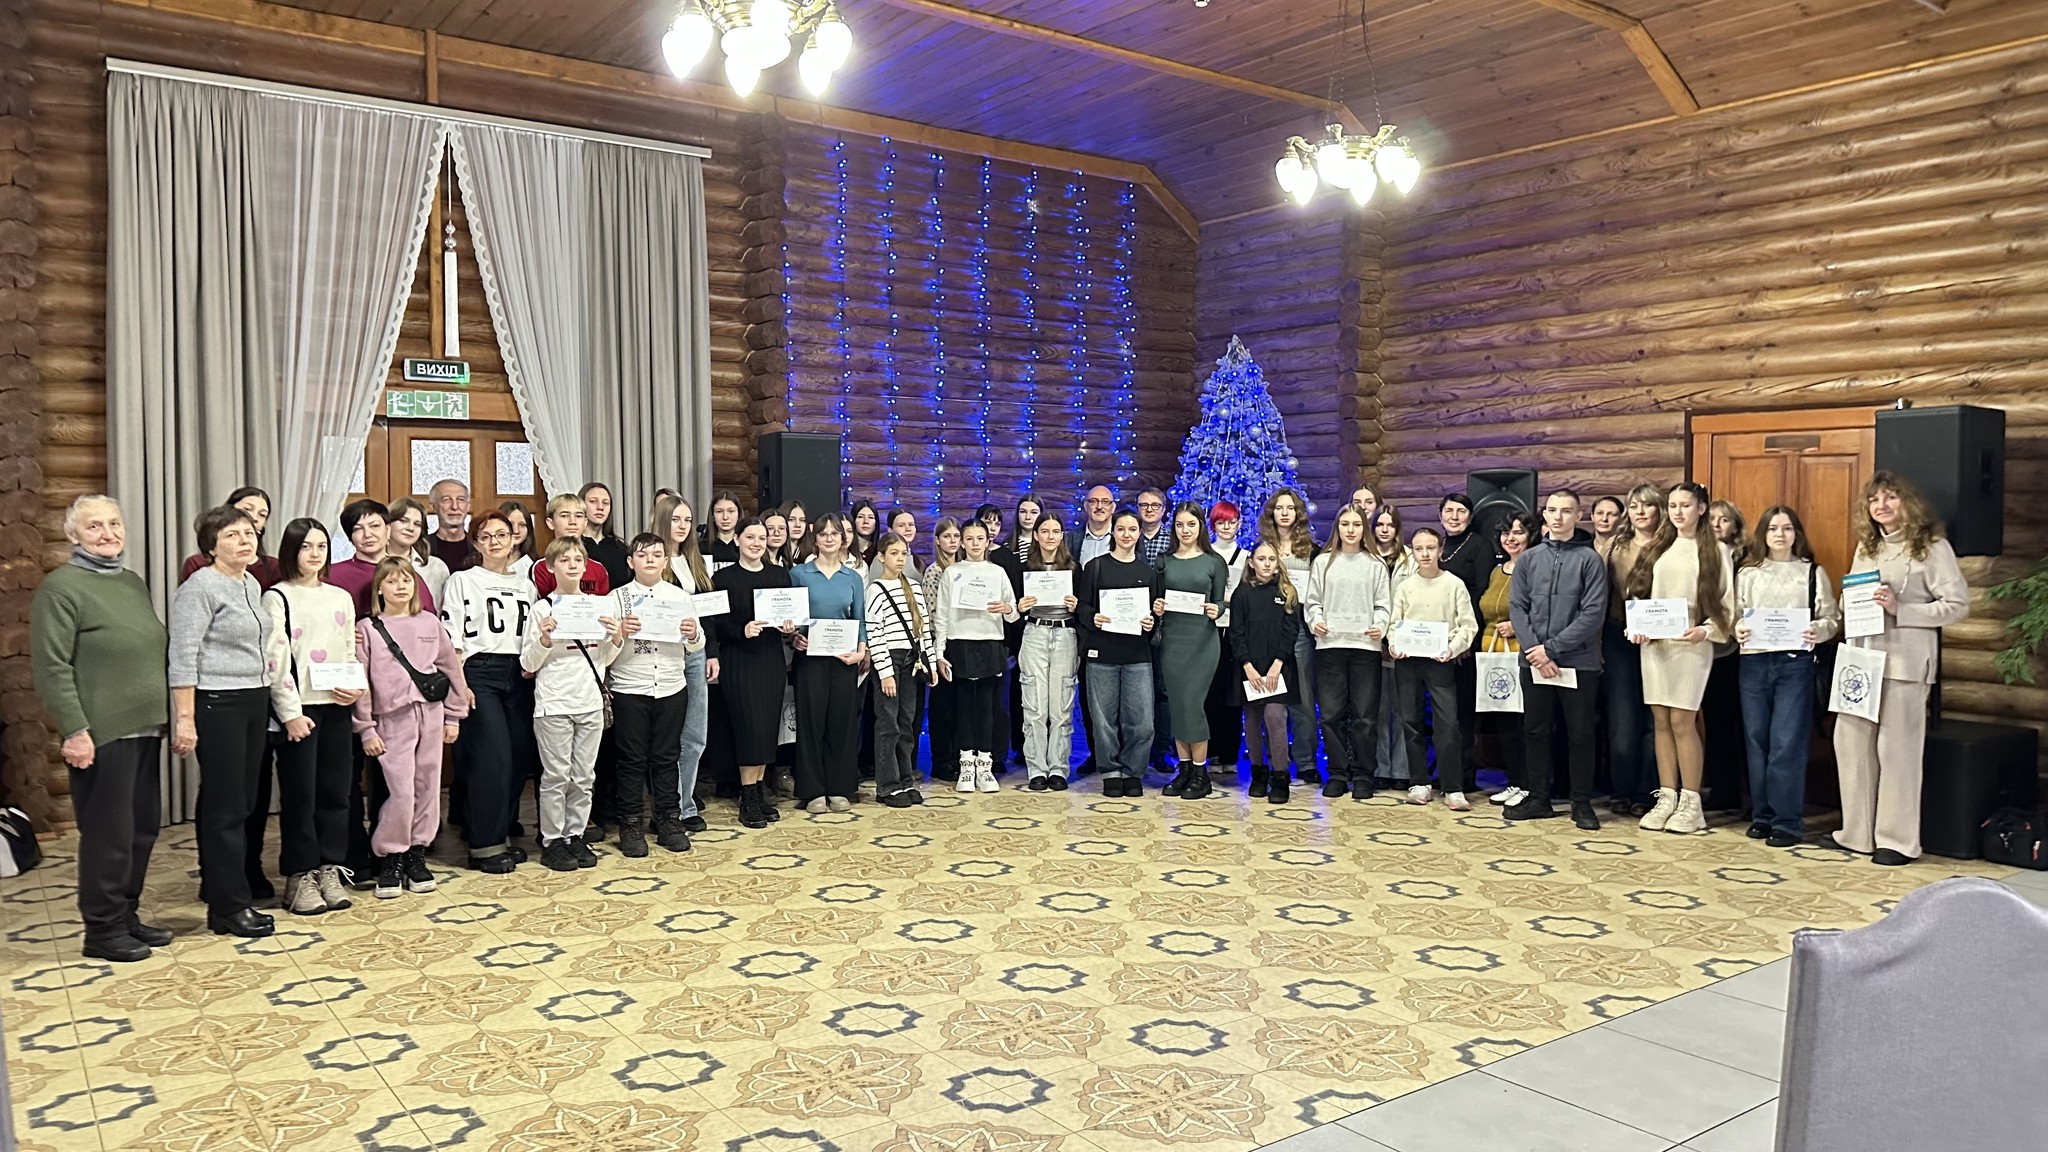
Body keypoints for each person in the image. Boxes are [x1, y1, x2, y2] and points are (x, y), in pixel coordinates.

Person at [31, 496, 171, 962]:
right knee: (108, 835)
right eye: (94, 526)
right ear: (73, 535)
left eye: (114, 523)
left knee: (141, 830)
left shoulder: (130, 582)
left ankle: (126, 916)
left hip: (145, 727)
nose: (108, 533)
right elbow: (52, 667)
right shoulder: (60, 588)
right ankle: (102, 929)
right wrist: (74, 730)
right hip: (100, 732)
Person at [1829, 472, 1969, 865]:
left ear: (1907, 502)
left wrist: (1900, 609)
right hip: (1862, 661)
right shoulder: (1867, 546)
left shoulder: (1932, 547)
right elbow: (1853, 597)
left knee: (1897, 752)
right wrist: (1849, 601)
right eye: (1874, 500)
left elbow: (1957, 605)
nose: (1882, 506)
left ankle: (1895, 840)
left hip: (1905, 663)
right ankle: (1856, 834)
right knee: (1852, 745)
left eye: (1890, 497)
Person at [168, 504, 276, 939]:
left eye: (249, 533)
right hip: (218, 702)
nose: (244, 540)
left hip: (254, 697)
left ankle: (222, 893)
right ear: (211, 546)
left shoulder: (250, 582)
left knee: (243, 803)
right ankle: (230, 907)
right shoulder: (200, 586)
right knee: (226, 808)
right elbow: (182, 654)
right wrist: (185, 718)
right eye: (232, 535)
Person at [265, 520, 365, 914]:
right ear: (291, 550)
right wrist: (290, 714)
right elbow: (276, 661)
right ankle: (300, 874)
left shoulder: (340, 597)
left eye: (321, 546)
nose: (315, 553)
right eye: (306, 546)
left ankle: (329, 867)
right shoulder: (277, 597)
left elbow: (348, 651)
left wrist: (354, 687)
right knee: (300, 796)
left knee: (336, 793)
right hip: (299, 711)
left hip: (336, 707)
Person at [354, 558, 469, 898]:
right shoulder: (368, 628)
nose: (401, 586)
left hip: (431, 714)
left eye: (406, 580)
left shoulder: (430, 622)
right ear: (380, 588)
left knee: (428, 786)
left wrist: (453, 716)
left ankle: (417, 852)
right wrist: (366, 728)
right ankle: (392, 854)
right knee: (401, 790)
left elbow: (450, 668)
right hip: (392, 718)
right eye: (392, 581)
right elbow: (361, 681)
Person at [1628, 482, 1736, 836]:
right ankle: (1667, 797)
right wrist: (1639, 626)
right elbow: (1640, 594)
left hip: (1691, 644)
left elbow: (1727, 604)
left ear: (1701, 508)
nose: (1678, 512)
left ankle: (1692, 802)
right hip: (1656, 646)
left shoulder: (1717, 550)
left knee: (1682, 721)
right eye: (1673, 505)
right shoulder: (1658, 546)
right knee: (1660, 720)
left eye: (1685, 505)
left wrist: (1706, 631)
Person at [441, 511, 541, 872]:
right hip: (479, 672)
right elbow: (451, 636)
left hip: (520, 673)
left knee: (518, 757)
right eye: (485, 536)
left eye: (501, 534)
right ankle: (484, 845)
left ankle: (498, 833)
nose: (494, 542)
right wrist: (460, 685)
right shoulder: (462, 580)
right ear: (476, 543)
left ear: (514, 539)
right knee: (491, 758)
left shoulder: (527, 585)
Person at [1736, 506, 1840, 848]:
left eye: (1787, 528)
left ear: (1797, 534)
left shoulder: (1812, 572)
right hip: (1754, 662)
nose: (1780, 535)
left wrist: (1818, 631)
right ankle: (1761, 815)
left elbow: (1831, 618)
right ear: (1763, 534)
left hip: (1795, 664)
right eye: (1773, 528)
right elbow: (1735, 615)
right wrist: (1739, 629)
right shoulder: (1748, 573)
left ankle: (1787, 822)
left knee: (1787, 741)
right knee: (1756, 740)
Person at [1506, 492, 1609, 829]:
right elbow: (1518, 607)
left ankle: (1581, 802)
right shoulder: (1529, 559)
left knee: (1580, 733)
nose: (1558, 517)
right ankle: (1539, 798)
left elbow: (1593, 613)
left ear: (1578, 516)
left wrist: (1551, 649)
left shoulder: (1590, 560)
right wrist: (1535, 650)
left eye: (1566, 511)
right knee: (1535, 730)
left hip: (1578, 661)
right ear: (1545, 515)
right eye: (1552, 510)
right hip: (1534, 661)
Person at [523, 539, 625, 869]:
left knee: (583, 776)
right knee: (556, 776)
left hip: (590, 701)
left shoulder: (599, 606)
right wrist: (544, 639)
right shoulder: (542, 609)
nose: (571, 565)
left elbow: (604, 659)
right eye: (564, 560)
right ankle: (552, 840)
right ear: (551, 567)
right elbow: (528, 663)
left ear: (585, 566)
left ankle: (575, 835)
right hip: (554, 702)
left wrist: (616, 637)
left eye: (577, 560)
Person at [608, 533, 702, 855]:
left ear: (665, 561)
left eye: (656, 555)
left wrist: (693, 634)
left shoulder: (679, 597)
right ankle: (630, 823)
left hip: (671, 686)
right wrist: (620, 634)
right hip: (630, 687)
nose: (650, 559)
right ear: (630, 561)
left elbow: (697, 644)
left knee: (666, 757)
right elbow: (604, 653)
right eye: (642, 554)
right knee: (631, 760)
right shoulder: (617, 598)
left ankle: (668, 820)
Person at [1304, 504, 1392, 800]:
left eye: (1356, 524)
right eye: (1345, 524)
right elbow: (1312, 602)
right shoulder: (1323, 562)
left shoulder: (1375, 564)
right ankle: (1338, 774)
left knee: (1365, 716)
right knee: (1331, 715)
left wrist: (1380, 626)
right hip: (1330, 646)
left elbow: (1383, 605)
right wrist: (1316, 621)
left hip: (1365, 647)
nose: (1351, 530)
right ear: (1337, 528)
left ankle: (1364, 774)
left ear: (1364, 528)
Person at [712, 519, 796, 828]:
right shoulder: (723, 578)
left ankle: (759, 791)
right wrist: (741, 630)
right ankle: (747, 796)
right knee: (748, 728)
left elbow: (790, 615)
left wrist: (789, 627)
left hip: (770, 661)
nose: (757, 543)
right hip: (739, 661)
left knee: (766, 729)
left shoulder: (779, 575)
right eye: (750, 537)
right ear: (737, 539)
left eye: (762, 537)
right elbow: (715, 625)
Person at [1389, 527, 1478, 808]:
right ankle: (1419, 782)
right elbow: (1393, 624)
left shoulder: (1454, 584)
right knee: (1411, 722)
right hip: (1408, 662)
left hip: (1441, 662)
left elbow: (1468, 625)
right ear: (1412, 553)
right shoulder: (1405, 587)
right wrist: (1394, 645)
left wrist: (1452, 648)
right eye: (1419, 549)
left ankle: (1452, 787)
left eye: (1430, 548)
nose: (1425, 554)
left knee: (1447, 724)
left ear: (1440, 550)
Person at [791, 514, 870, 812]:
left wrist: (861, 651)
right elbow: (792, 617)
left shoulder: (852, 578)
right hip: (809, 659)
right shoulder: (799, 573)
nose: (828, 538)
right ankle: (812, 790)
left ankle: (839, 787)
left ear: (843, 539)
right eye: (823, 534)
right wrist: (794, 637)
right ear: (815, 539)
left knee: (841, 723)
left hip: (843, 659)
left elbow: (859, 619)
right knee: (811, 724)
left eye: (834, 534)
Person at [1078, 510, 1158, 797]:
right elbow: (1082, 606)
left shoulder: (1148, 573)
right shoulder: (1095, 567)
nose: (1126, 534)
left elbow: (1154, 615)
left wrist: (1151, 622)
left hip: (1137, 655)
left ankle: (1133, 771)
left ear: (1139, 534)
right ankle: (1111, 771)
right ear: (1113, 532)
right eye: (1121, 529)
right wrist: (1092, 617)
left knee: (1142, 722)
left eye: (1132, 529)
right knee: (1104, 719)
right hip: (1102, 653)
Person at [936, 520, 1018, 794]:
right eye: (969, 538)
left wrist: (1007, 608)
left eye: (979, 538)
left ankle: (984, 765)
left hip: (990, 643)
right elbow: (942, 614)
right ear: (962, 542)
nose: (974, 543)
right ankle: (966, 766)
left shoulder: (997, 572)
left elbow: (1014, 613)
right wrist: (939, 652)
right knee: (963, 707)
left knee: (986, 706)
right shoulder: (952, 573)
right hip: (960, 643)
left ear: (987, 541)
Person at [1152, 503, 1228, 799]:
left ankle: (1201, 773)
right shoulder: (1164, 561)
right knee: (1178, 706)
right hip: (1172, 643)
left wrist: (1216, 609)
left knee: (1193, 705)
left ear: (1201, 527)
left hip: (1202, 644)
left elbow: (1221, 602)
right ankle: (1184, 770)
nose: (1185, 530)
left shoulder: (1213, 562)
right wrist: (1157, 607)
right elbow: (1157, 598)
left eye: (1191, 525)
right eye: (1180, 525)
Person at [656, 494, 718, 834]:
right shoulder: (653, 559)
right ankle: (665, 807)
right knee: (667, 735)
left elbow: (708, 613)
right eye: (676, 519)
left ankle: (685, 804)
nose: (682, 526)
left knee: (695, 733)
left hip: (695, 653)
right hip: (663, 656)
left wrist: (712, 653)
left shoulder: (696, 562)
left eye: (687, 520)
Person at [1601, 484, 1663, 816]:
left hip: (1661, 638)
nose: (1640, 512)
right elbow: (1602, 594)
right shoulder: (1616, 546)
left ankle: (1647, 791)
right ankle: (1621, 790)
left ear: (1659, 510)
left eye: (1647, 505)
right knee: (1622, 719)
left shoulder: (1670, 545)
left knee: (1655, 719)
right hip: (1619, 636)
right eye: (1634, 505)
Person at [1230, 540, 1303, 804]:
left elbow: (1291, 631)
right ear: (1251, 563)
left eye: (1272, 559)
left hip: (1278, 667)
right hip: (1249, 667)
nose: (1267, 564)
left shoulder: (1287, 592)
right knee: (1251, 720)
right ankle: (1258, 773)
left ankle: (1280, 776)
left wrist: (1277, 664)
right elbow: (1236, 633)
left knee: (1274, 716)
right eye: (1261, 559)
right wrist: (1247, 666)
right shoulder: (1241, 594)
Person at [1014, 512, 1081, 790]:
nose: (1050, 536)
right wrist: (1019, 607)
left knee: (1062, 707)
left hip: (1065, 634)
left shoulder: (1074, 568)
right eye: (1044, 531)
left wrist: (1077, 606)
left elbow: (1086, 607)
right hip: (1035, 633)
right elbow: (1013, 607)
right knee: (1034, 706)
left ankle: (1058, 768)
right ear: (1036, 535)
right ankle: (1037, 769)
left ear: (1062, 536)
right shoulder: (1024, 568)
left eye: (1055, 531)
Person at [867, 532, 935, 807]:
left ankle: (906, 780)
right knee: (889, 725)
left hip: (912, 660)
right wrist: (885, 672)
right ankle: (887, 785)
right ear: (881, 557)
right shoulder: (876, 589)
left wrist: (931, 663)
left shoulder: (914, 587)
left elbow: (923, 629)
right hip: (890, 661)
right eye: (894, 553)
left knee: (907, 723)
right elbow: (875, 633)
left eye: (903, 553)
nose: (899, 559)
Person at [1260, 489, 1321, 786]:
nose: (1284, 513)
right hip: (1269, 633)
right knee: (1271, 701)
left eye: (1290, 508)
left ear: (1298, 513)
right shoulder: (1262, 549)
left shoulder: (1312, 550)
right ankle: (1276, 761)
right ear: (1271, 513)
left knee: (1304, 700)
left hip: (1301, 632)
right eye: (1279, 508)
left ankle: (1306, 762)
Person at [1477, 512, 1532, 809]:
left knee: (1524, 722)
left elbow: (1541, 609)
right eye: (1505, 533)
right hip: (1494, 654)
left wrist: (1517, 625)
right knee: (1504, 722)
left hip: (1522, 652)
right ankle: (1514, 782)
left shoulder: (1533, 567)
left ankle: (1529, 784)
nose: (1511, 538)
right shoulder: (1497, 571)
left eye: (1518, 532)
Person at [1368, 505, 1418, 788]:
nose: (1385, 529)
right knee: (1376, 708)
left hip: (1402, 641)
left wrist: (1396, 638)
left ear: (1398, 528)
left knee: (1402, 709)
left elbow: (1414, 600)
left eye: (1390, 524)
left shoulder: (1410, 559)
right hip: (1372, 640)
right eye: (1380, 524)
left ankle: (1401, 769)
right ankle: (1380, 768)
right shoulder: (1365, 557)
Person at [1203, 502, 1250, 783]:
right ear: (1213, 525)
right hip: (1209, 630)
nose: (1226, 527)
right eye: (1221, 522)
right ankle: (1211, 753)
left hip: (1235, 631)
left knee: (1233, 695)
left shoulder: (1246, 557)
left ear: (1239, 524)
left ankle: (1230, 754)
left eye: (1231, 522)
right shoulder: (1206, 555)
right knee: (1210, 693)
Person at [332, 499, 436, 618]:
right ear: (350, 537)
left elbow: (429, 620)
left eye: (375, 526)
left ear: (388, 529)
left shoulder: (406, 574)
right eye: (358, 529)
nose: (368, 534)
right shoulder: (333, 575)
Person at [924, 518, 965, 783]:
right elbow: (931, 613)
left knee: (959, 706)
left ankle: (958, 757)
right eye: (947, 536)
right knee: (942, 708)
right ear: (938, 540)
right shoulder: (934, 571)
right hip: (941, 643)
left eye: (956, 536)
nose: (952, 541)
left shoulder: (964, 569)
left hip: (963, 642)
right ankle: (941, 760)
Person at [178, 486, 281, 588]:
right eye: (247, 509)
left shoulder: (266, 573)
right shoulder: (197, 566)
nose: (254, 518)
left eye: (262, 515)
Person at [532, 493, 611, 597]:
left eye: (578, 516)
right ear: (551, 523)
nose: (572, 522)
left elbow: (603, 604)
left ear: (585, 522)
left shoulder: (598, 569)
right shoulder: (542, 568)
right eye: (564, 516)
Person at [387, 497, 453, 606]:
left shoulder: (436, 567)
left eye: (417, 524)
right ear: (388, 524)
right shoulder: (373, 564)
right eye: (404, 521)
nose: (410, 528)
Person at [579, 482, 632, 589]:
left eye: (606, 503)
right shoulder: (573, 546)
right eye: (593, 501)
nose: (600, 507)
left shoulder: (621, 548)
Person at [429, 479, 475, 574]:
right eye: (447, 500)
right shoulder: (421, 548)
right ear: (433, 506)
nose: (454, 507)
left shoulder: (479, 547)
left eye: (460, 500)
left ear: (468, 506)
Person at [1076, 487, 1116, 565]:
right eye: (1093, 501)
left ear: (1113, 507)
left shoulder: (1121, 538)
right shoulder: (1070, 539)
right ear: (1086, 506)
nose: (1099, 507)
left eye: (1105, 502)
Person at [500, 501, 538, 578]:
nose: (516, 530)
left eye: (522, 525)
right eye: (510, 524)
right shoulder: (484, 562)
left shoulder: (536, 564)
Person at [704, 493, 743, 565]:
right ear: (712, 516)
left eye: (731, 511)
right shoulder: (701, 547)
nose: (725, 517)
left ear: (738, 514)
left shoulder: (747, 547)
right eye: (719, 511)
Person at [848, 499, 881, 564]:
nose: (866, 521)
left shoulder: (882, 550)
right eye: (860, 517)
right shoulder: (846, 550)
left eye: (871, 517)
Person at [782, 500, 816, 566]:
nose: (798, 525)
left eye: (802, 520)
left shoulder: (812, 556)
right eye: (791, 519)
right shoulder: (777, 555)